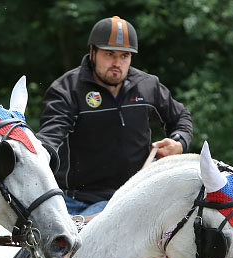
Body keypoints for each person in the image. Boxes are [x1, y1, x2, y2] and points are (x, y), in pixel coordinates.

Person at [37, 15, 193, 217]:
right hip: (75, 201)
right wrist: (38, 155)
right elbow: (50, 138)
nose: (117, 63)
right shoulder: (66, 89)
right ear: (92, 52)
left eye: (124, 56)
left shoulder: (148, 85)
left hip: (133, 195)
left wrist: (179, 142)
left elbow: (180, 116)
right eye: (109, 54)